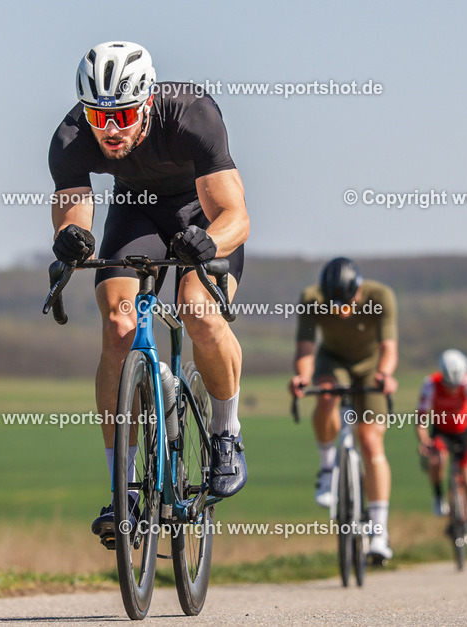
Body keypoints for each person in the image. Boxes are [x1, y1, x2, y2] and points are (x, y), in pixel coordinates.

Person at [48, 41, 250, 549]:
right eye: (99, 115)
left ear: (148, 100)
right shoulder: (72, 136)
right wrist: (72, 237)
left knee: (198, 311)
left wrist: (208, 242)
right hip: (135, 216)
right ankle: (123, 491)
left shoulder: (191, 114)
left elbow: (236, 216)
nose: (110, 129)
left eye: (123, 115)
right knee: (117, 325)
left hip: (201, 215)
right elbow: (74, 210)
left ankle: (227, 433)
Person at [288, 257, 398, 562]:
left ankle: (379, 532)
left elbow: (388, 346)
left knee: (371, 441)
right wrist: (302, 377)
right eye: (335, 304)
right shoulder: (312, 299)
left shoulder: (381, 296)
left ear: (360, 290)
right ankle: (327, 469)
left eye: (348, 303)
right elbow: (306, 348)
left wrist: (386, 375)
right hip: (332, 362)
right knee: (325, 397)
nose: (342, 311)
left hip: (370, 366)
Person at [416, 349, 467, 554]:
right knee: (438, 459)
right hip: (441, 432)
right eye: (449, 386)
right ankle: (438, 495)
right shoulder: (430, 384)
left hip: (465, 432)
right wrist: (424, 440)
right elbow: (421, 418)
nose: (452, 390)